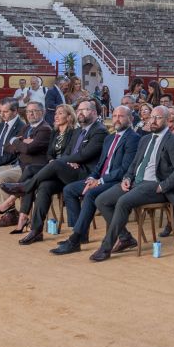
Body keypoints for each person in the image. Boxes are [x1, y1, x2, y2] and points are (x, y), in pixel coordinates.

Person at [89, 106, 174, 262]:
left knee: (123, 202)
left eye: (158, 118)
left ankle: (105, 248)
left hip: (156, 186)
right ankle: (125, 238)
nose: (153, 121)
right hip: (136, 183)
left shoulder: (173, 142)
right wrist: (127, 178)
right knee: (101, 200)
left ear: (168, 120)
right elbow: (134, 164)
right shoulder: (145, 139)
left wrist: (162, 186)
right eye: (152, 117)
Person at [4, 99, 107, 243]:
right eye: (78, 110)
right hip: (70, 171)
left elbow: (85, 155)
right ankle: (36, 230)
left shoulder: (100, 131)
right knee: (44, 185)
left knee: (56, 164)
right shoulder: (78, 131)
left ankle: (26, 186)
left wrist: (67, 161)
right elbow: (68, 153)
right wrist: (68, 161)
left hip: (85, 174)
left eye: (84, 110)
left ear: (94, 112)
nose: (80, 113)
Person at [51, 105, 139, 255]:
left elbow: (125, 169)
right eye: (115, 116)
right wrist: (92, 177)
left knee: (91, 194)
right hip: (101, 179)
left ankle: (75, 239)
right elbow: (100, 164)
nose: (117, 119)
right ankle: (80, 233)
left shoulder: (134, 139)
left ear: (130, 119)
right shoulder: (110, 138)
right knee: (69, 190)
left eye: (121, 116)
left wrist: (100, 181)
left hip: (117, 181)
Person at [0, 102, 51, 226]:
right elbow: (7, 146)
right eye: (28, 111)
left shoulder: (45, 129)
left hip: (31, 168)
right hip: (19, 164)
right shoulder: (26, 127)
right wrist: (22, 141)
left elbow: (28, 149)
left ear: (42, 112)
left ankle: (10, 211)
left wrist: (16, 142)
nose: (31, 114)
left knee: (0, 178)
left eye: (34, 111)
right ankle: (11, 212)